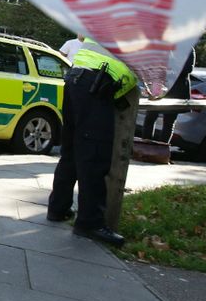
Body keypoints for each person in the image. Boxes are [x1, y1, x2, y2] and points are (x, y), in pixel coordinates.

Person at [46, 38, 138, 246]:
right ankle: (90, 223)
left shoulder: (108, 9)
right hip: (97, 84)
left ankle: (58, 208)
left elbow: (81, 35)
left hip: (77, 77)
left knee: (70, 150)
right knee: (94, 155)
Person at [139, 48, 195, 142]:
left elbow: (188, 68)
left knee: (168, 123)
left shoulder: (187, 48)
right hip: (158, 87)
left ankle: (162, 150)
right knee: (150, 118)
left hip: (176, 90)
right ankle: (145, 147)